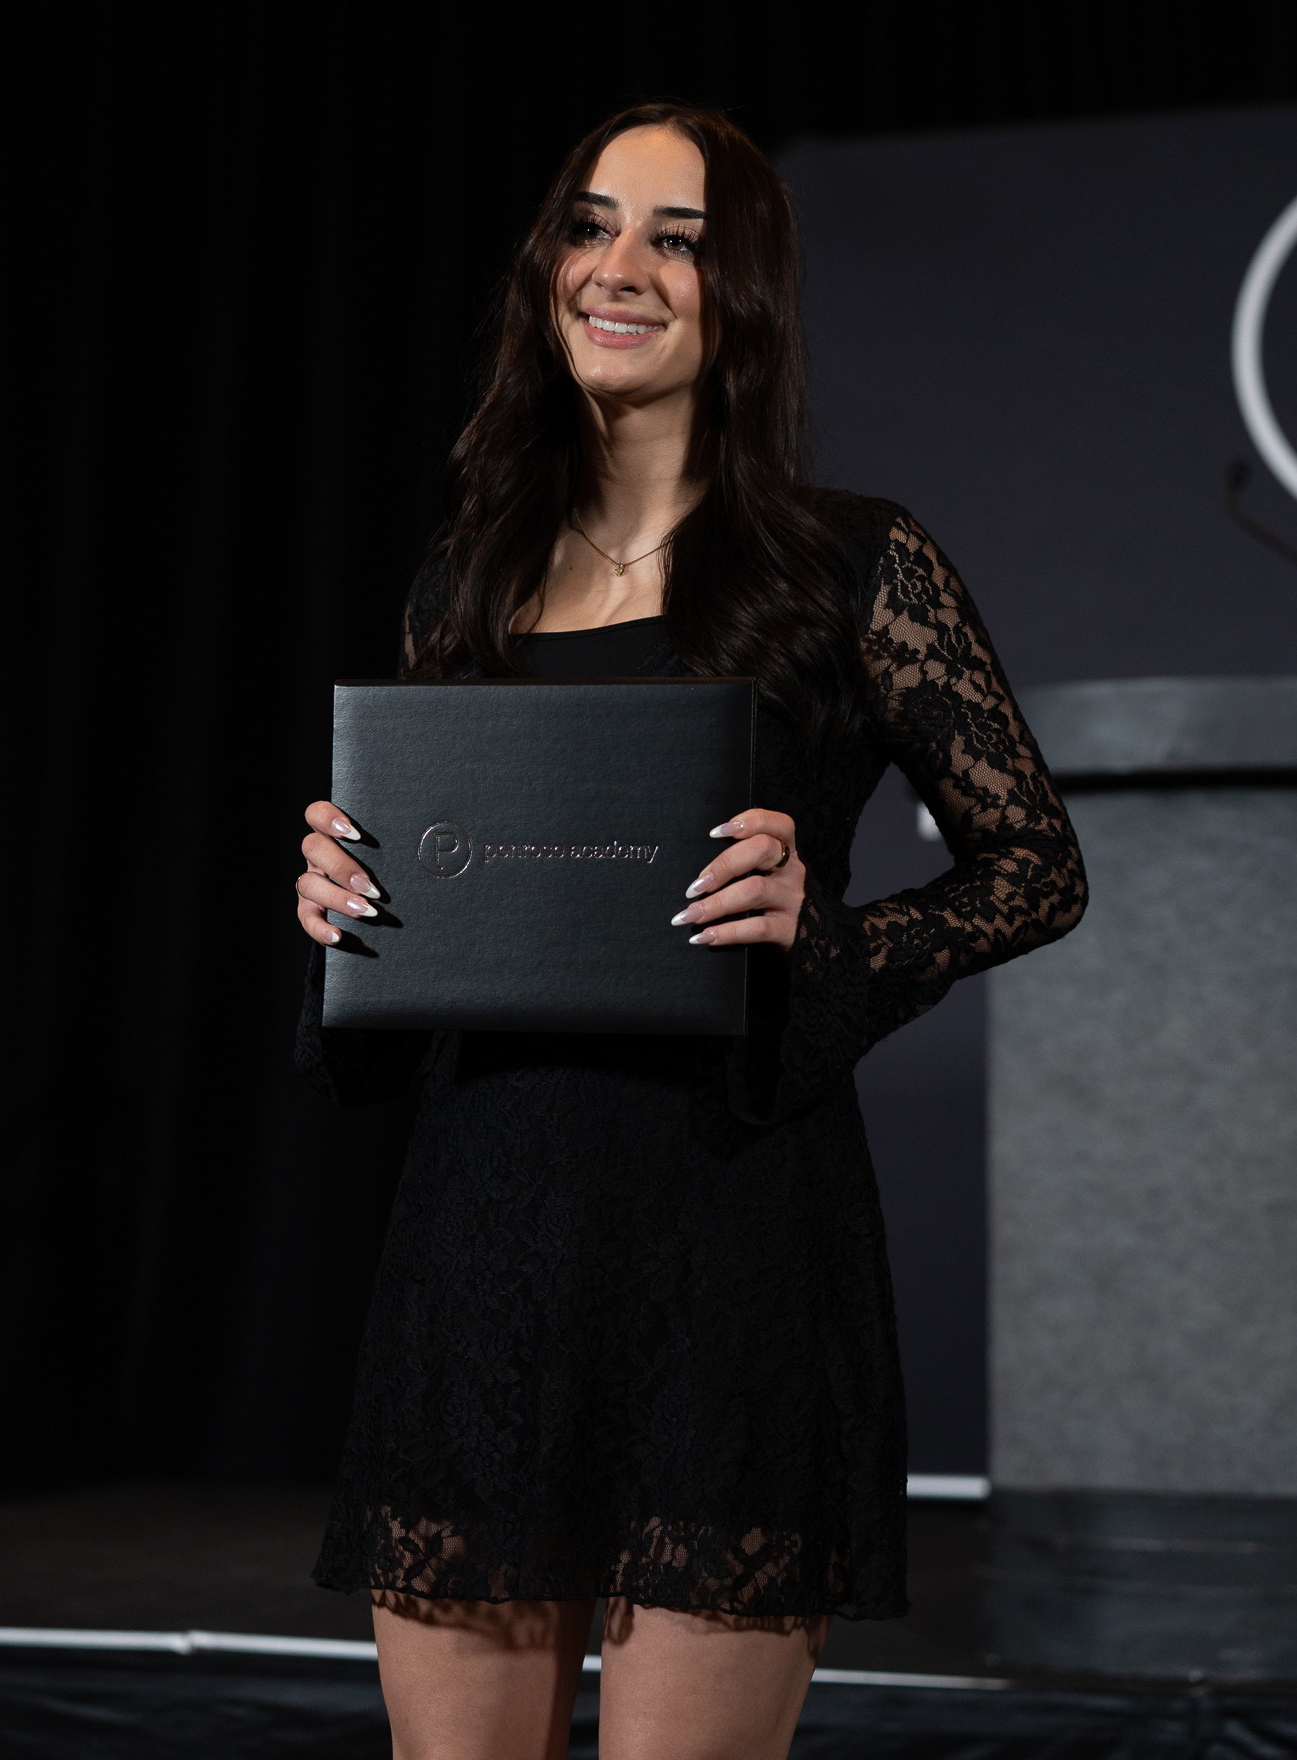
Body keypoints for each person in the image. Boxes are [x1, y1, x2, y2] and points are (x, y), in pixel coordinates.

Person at [293, 102, 1088, 1760]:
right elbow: (421, 941)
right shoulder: (466, 580)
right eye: (590, 226)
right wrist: (345, 916)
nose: (620, 269)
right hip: (482, 1253)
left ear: (746, 295)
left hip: (732, 1250)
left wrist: (825, 934)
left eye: (678, 239)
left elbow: (1031, 865)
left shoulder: (849, 562)